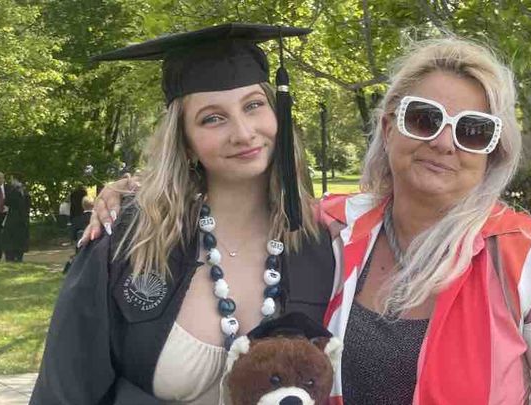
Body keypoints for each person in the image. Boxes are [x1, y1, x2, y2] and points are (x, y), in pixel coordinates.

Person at [86, 38, 531, 404]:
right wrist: (135, 192)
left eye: (473, 130)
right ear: (389, 127)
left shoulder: (530, 260)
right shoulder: (335, 227)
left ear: (494, 152)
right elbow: (238, 202)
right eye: (425, 119)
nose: (445, 143)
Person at [30, 23, 335, 405]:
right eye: (212, 118)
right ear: (185, 142)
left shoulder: (320, 246)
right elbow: (63, 393)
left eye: (253, 105)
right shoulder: (128, 244)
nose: (243, 133)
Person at [2, 175, 30, 262]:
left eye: (12, 179)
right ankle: (19, 255)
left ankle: (11, 255)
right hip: (23, 217)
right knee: (20, 237)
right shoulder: (24, 191)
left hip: (13, 217)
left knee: (11, 236)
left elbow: (7, 201)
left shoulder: (13, 191)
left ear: (15, 180)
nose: (11, 181)